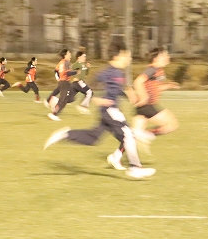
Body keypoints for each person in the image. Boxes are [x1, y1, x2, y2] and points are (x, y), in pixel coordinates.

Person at [43, 39, 155, 179]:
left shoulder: (119, 72)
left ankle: (66, 134)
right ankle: (135, 168)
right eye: (127, 55)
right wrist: (97, 99)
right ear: (117, 56)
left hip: (111, 111)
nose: (129, 59)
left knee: (93, 137)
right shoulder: (108, 71)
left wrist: (130, 96)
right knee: (128, 135)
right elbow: (93, 83)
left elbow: (117, 89)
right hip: (110, 110)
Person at [111, 48, 180, 166]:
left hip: (143, 107)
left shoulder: (159, 71)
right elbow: (138, 82)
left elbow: (154, 87)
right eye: (164, 55)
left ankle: (116, 157)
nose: (167, 57)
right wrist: (143, 97)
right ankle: (145, 134)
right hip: (147, 105)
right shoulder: (152, 69)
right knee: (172, 124)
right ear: (156, 58)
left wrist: (168, 86)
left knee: (131, 137)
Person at [47, 49, 77, 121]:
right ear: (65, 55)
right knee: (63, 99)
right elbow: (67, 73)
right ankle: (54, 114)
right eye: (69, 53)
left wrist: (58, 78)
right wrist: (76, 72)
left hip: (63, 82)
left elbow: (56, 71)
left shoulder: (61, 62)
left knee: (69, 98)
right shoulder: (66, 62)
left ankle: (54, 103)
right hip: (65, 82)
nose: (70, 54)